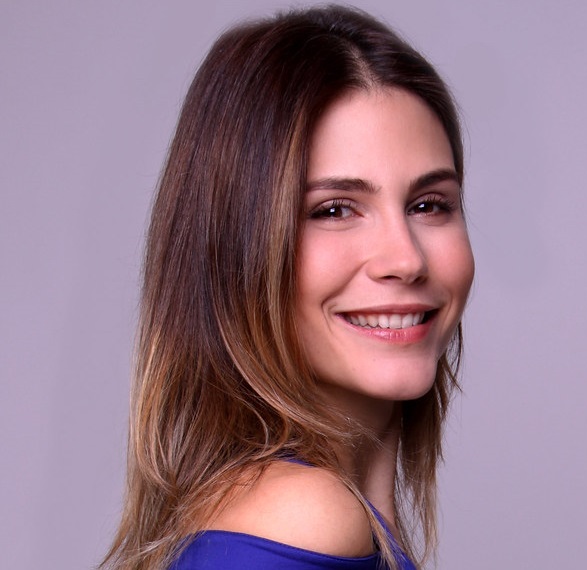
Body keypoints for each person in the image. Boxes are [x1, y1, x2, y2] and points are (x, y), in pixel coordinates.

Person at [102, 5, 474, 569]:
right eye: (334, 209)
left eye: (428, 205)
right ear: (235, 249)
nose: (406, 259)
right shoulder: (304, 520)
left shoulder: (301, 514)